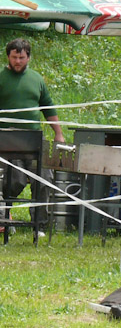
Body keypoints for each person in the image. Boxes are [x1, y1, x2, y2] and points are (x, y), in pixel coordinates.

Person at [0, 38, 65, 230]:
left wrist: (58, 133)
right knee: (14, 180)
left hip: (34, 140)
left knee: (44, 178)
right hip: (6, 140)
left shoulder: (36, 79)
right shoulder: (1, 78)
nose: (17, 61)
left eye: (21, 57)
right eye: (14, 57)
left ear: (28, 57)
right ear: (8, 57)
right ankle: (4, 216)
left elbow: (48, 106)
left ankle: (39, 225)